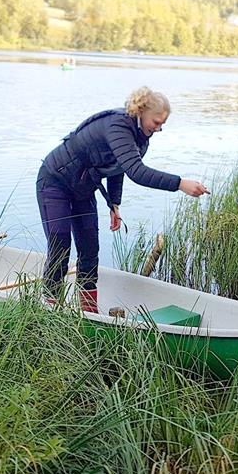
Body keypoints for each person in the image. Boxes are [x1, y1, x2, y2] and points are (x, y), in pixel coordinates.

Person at [37, 87, 210, 312]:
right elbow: (136, 172)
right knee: (60, 246)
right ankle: (51, 309)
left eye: (162, 124)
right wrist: (180, 184)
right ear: (141, 112)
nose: (159, 129)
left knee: (90, 249)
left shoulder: (141, 137)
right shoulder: (117, 125)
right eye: (156, 122)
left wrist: (113, 203)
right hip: (54, 182)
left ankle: (90, 312)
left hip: (83, 188)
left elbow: (117, 168)